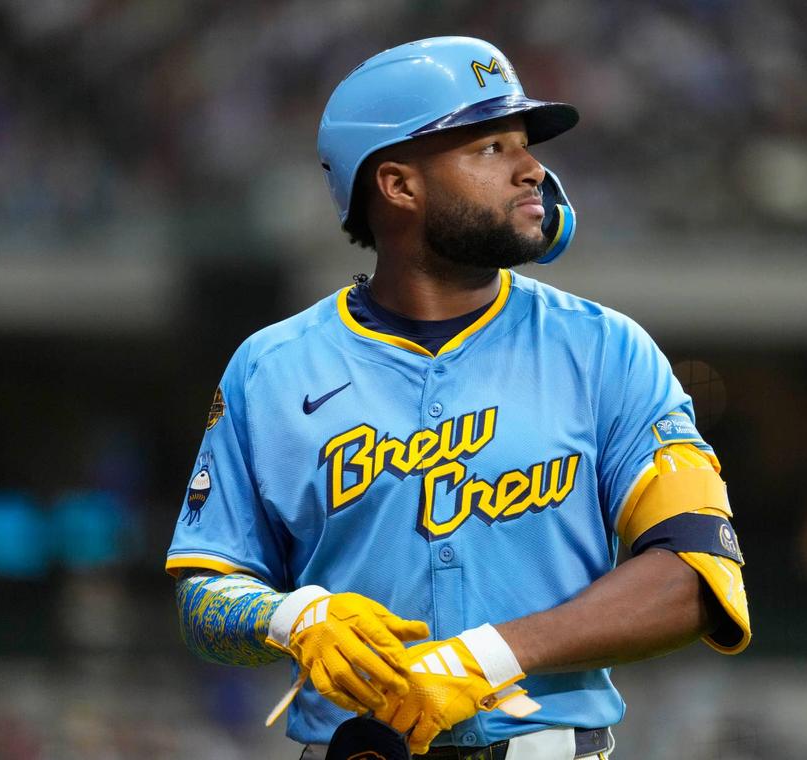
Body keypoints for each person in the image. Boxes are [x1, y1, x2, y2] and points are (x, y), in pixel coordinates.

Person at [167, 36, 750, 759]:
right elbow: (205, 593)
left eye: (523, 145)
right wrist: (292, 619)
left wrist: (487, 656)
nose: (532, 167)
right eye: (491, 148)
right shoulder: (271, 368)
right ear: (398, 186)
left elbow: (697, 572)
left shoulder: (606, 349)